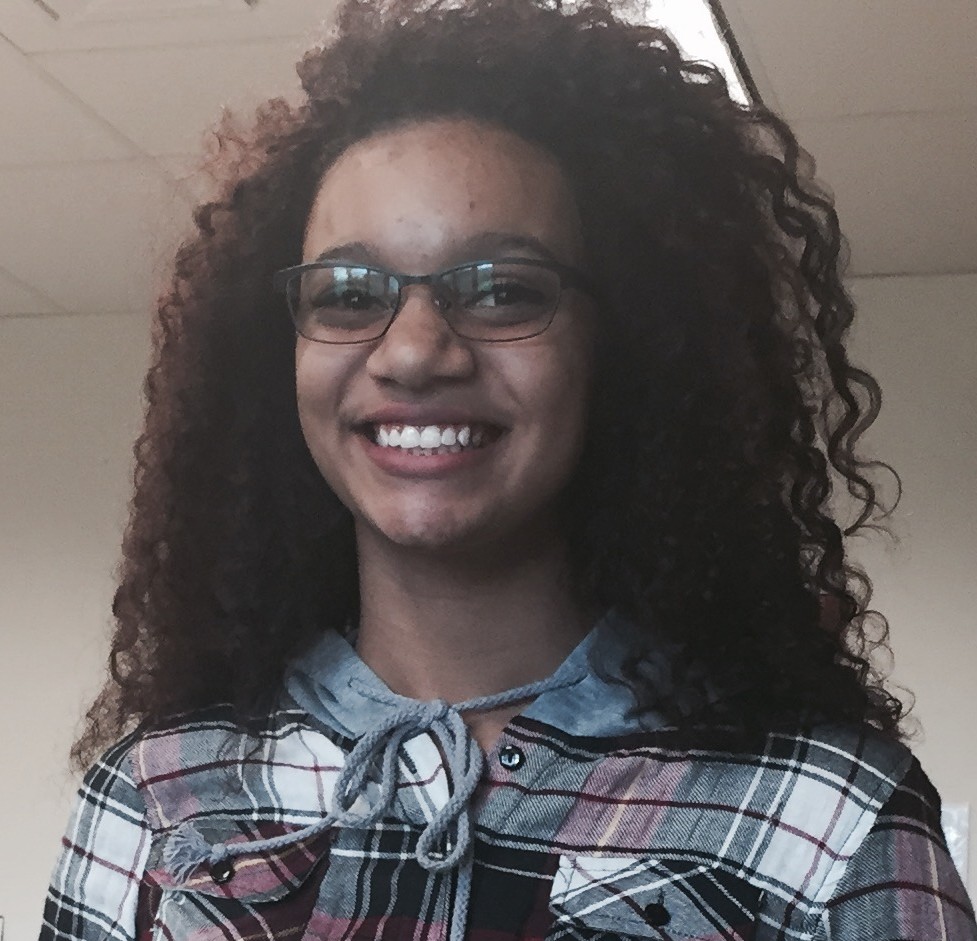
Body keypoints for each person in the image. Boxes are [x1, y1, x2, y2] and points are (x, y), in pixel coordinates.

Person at [39, 1, 975, 939]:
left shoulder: (825, 819)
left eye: (502, 290)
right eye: (350, 294)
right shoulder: (156, 799)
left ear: (621, 347)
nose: (413, 352)